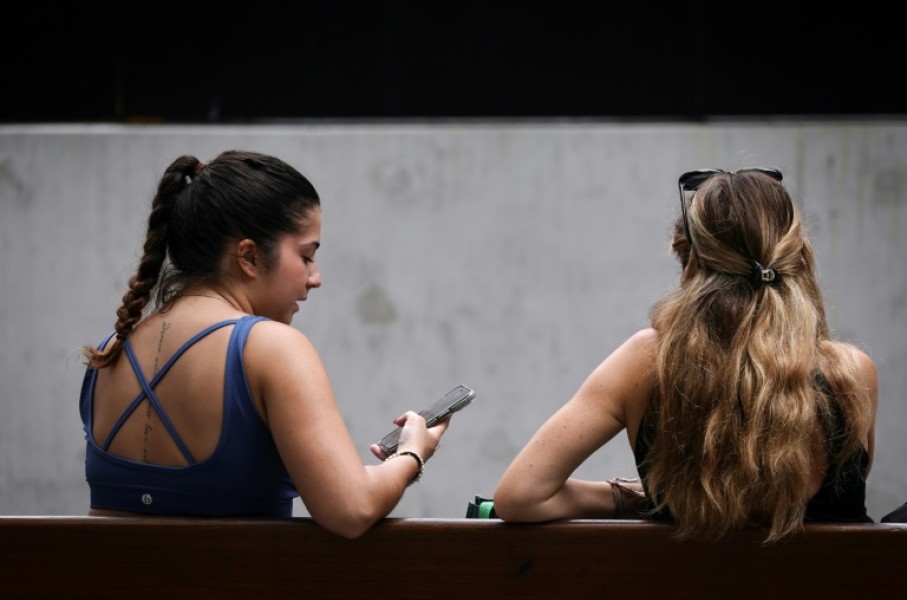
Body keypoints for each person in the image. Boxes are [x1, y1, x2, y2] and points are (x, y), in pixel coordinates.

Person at [493, 167, 879, 543]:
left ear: (690, 265)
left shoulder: (646, 362)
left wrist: (625, 498)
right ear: (797, 259)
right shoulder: (851, 373)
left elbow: (521, 496)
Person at [79, 150, 449, 539]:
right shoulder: (271, 349)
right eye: (306, 256)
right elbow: (351, 508)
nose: (315, 277)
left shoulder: (111, 352)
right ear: (249, 256)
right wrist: (413, 453)